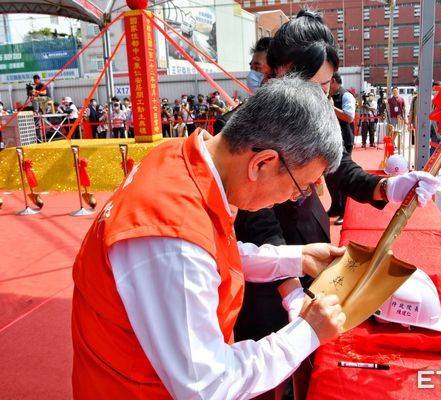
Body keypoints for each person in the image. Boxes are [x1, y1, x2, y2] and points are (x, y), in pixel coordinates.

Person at [71, 76, 348, 398]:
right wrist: (307, 332)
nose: (292, 199)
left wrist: (295, 258)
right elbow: (208, 386)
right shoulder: (171, 240)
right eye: (299, 188)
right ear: (262, 163)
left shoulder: (179, 157)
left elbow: (212, 253)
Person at [230, 11, 438, 400]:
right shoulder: (247, 131)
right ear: (277, 72)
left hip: (308, 251)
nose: (320, 96)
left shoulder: (316, 111)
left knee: (311, 370)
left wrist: (388, 187)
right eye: (312, 85)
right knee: (265, 372)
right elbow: (257, 224)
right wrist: (289, 290)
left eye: (326, 86)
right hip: (267, 272)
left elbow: (341, 168)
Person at [326, 72, 356, 225]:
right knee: (329, 176)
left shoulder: (346, 96)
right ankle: (335, 206)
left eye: (326, 82)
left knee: (343, 176)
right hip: (330, 141)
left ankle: (345, 211)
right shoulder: (326, 96)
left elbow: (349, 117)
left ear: (333, 81)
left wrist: (331, 108)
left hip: (345, 141)